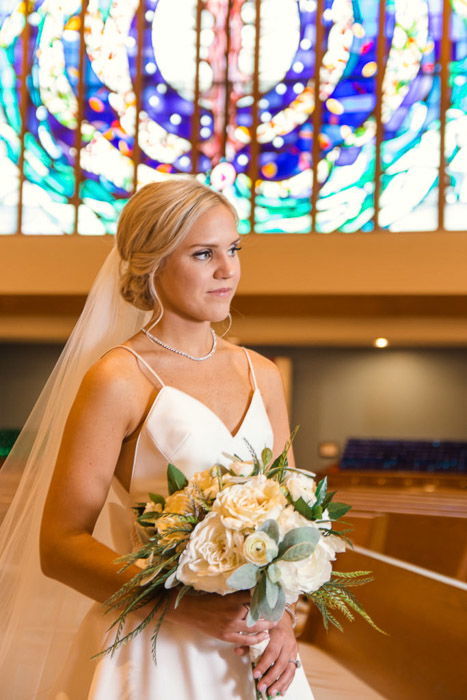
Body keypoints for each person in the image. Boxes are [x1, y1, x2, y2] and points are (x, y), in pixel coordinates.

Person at [0, 179, 314, 699]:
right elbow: (59, 546)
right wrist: (185, 605)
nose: (227, 269)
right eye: (203, 253)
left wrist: (279, 617)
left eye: (233, 249)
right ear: (152, 263)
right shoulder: (119, 379)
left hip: (254, 649)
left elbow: (292, 514)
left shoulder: (263, 373)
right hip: (154, 649)